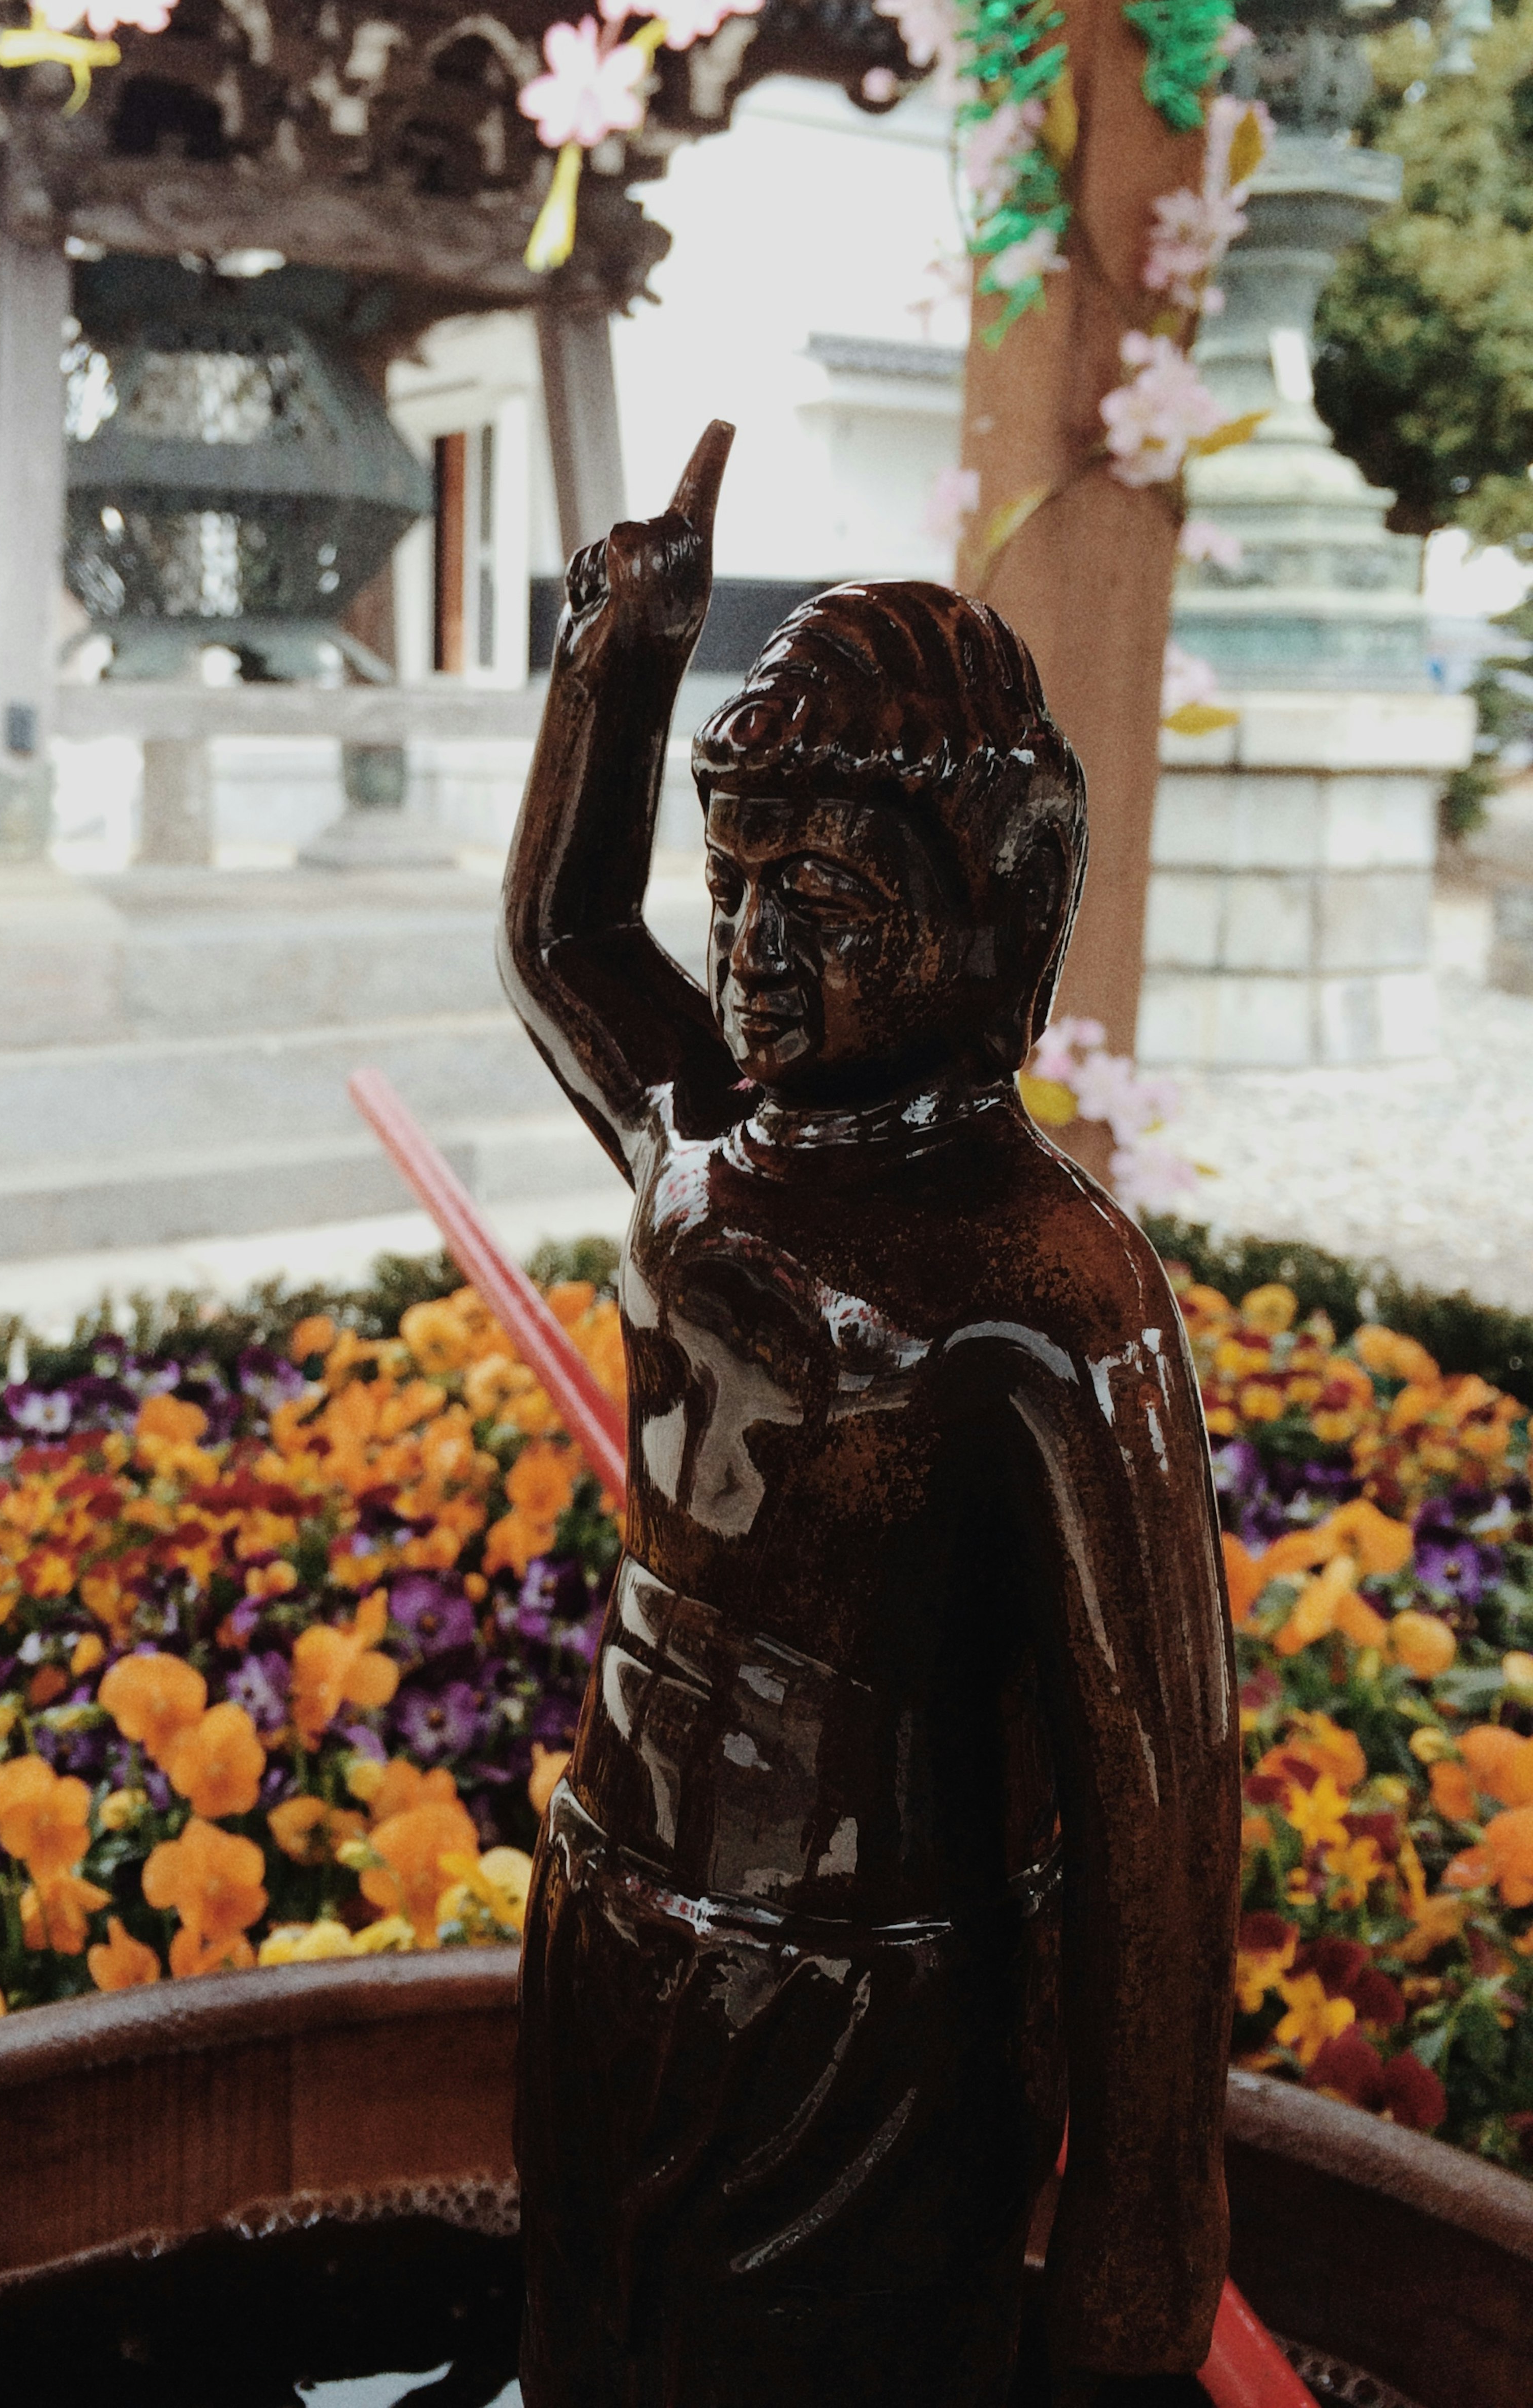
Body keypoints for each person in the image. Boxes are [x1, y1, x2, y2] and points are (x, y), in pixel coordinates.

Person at [502, 423, 1239, 2407]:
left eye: (824, 891)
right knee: (589, 2333)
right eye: (740, 882)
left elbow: (1159, 1788)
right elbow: (567, 942)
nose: (753, 943)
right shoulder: (705, 1146)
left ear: (984, 906)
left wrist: (1139, 2235)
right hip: (617, 1896)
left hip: (874, 1998)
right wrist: (619, 664)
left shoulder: (1048, 1289)